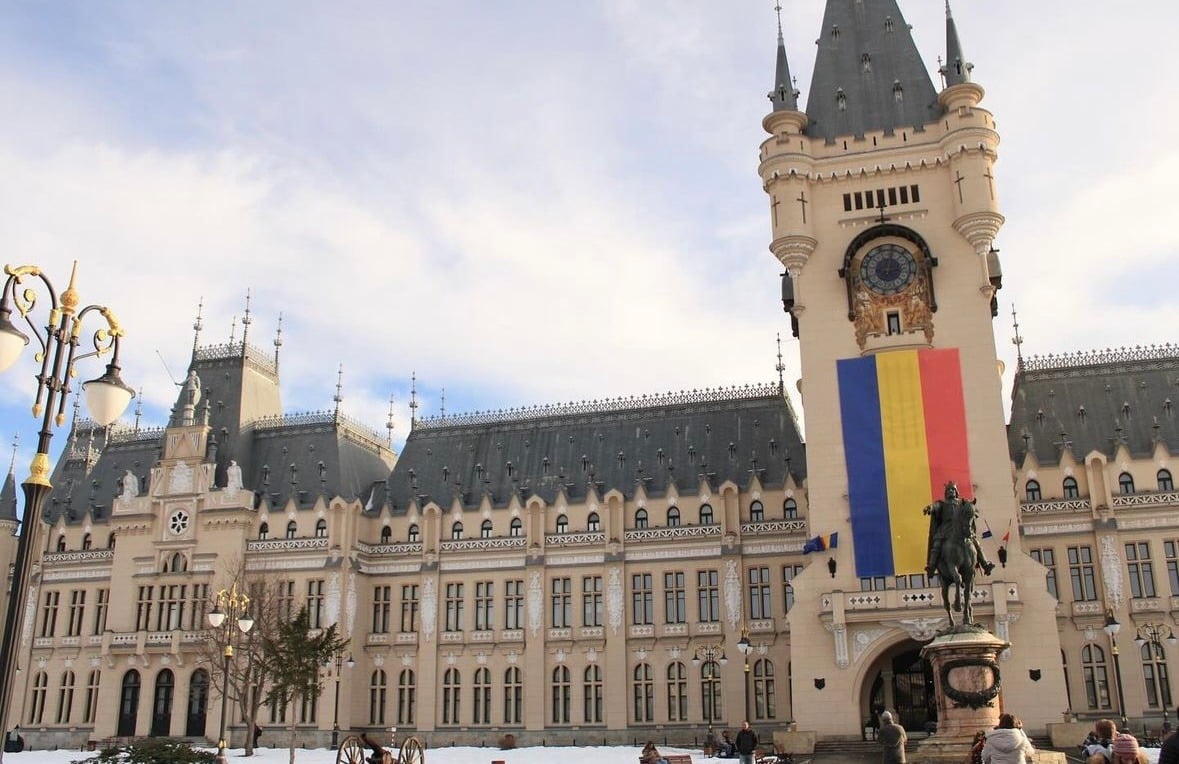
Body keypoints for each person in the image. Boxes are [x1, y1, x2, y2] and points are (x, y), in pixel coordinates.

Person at [924, 482, 995, 578]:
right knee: (937, 545)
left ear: (956, 492)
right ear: (946, 493)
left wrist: (973, 513)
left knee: (975, 542)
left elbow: (973, 509)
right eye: (949, 490)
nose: (951, 491)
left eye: (953, 489)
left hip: (961, 528)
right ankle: (931, 567)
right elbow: (935, 507)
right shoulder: (942, 503)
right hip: (946, 529)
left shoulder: (962, 503)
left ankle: (985, 564)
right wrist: (930, 508)